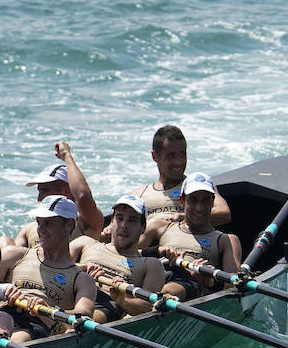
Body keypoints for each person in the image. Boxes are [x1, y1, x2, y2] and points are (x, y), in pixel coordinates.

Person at [0, 195, 98, 339]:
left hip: (37, 326)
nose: (40, 230)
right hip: (0, 319)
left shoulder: (82, 280)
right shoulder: (15, 255)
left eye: (48, 223)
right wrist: (2, 291)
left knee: (21, 338)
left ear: (69, 224)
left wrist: (49, 310)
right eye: (39, 222)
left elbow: (83, 316)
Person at [144, 172, 242, 301]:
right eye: (193, 200)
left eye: (205, 200)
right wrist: (157, 251)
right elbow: (126, 254)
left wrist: (209, 281)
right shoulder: (161, 227)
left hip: (190, 285)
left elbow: (234, 285)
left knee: (169, 291)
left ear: (212, 202)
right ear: (182, 201)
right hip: (157, 275)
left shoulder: (227, 240)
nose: (199, 208)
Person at [69, 195, 164, 320]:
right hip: (70, 294)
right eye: (120, 218)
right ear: (112, 222)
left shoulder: (151, 264)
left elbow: (149, 307)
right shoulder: (85, 242)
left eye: (132, 220)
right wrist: (83, 268)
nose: (124, 225)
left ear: (143, 227)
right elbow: (53, 266)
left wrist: (123, 300)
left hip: (106, 306)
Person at [129, 124, 230, 229]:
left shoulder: (197, 185)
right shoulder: (139, 194)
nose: (179, 162)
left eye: (182, 154)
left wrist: (184, 217)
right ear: (155, 156)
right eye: (171, 156)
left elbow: (223, 213)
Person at [11, 142, 102, 246]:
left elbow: (82, 196)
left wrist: (66, 155)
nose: (39, 198)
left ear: (67, 190)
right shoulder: (29, 229)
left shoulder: (85, 223)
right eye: (39, 191)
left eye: (45, 191)